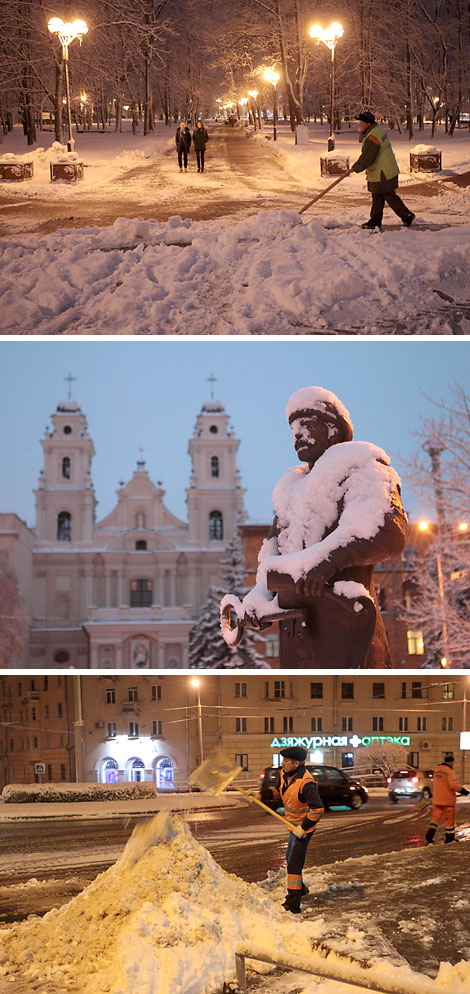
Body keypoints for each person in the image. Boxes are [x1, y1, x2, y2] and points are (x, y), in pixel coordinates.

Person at [236, 386, 407, 667]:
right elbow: (273, 555)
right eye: (293, 431)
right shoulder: (290, 488)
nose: (297, 436)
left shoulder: (362, 465)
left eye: (306, 426)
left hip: (347, 627)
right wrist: (259, 600)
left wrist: (330, 560)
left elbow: (387, 530)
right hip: (297, 638)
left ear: (332, 430)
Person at [265, 746, 324, 914]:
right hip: (293, 826)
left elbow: (318, 810)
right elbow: (278, 792)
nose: (282, 764)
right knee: (289, 856)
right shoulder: (285, 774)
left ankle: (293, 902)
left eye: (285, 761)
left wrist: (303, 828)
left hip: (304, 829)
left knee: (294, 864)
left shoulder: (306, 784)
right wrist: (261, 795)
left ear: (296, 763)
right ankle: (301, 889)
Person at [350, 111, 415, 230]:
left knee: (388, 195)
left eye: (362, 122)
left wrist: (356, 167)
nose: (360, 125)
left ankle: (406, 215)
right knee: (378, 195)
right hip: (383, 170)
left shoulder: (373, 136)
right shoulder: (376, 131)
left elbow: (367, 157)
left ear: (368, 123)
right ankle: (375, 220)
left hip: (383, 172)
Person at [425, 753, 469, 845]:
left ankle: (429, 836)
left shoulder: (437, 770)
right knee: (449, 820)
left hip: (437, 799)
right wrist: (463, 791)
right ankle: (449, 838)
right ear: (451, 762)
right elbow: (453, 785)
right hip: (447, 800)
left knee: (435, 818)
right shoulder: (449, 771)